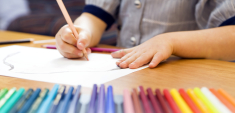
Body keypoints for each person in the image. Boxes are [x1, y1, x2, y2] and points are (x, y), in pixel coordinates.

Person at [55, 0, 235, 69]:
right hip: (123, 77)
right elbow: (94, 16)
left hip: (182, 79)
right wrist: (81, 31)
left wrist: (170, 42)